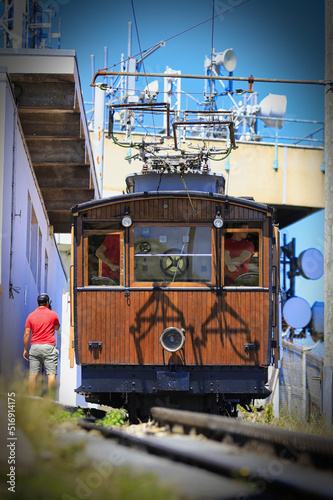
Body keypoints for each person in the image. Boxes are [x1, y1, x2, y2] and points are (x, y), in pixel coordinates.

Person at [23, 293, 60, 396]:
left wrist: (25, 349)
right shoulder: (53, 314)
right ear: (47, 303)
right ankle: (51, 399)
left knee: (32, 373)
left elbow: (27, 334)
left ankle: (31, 398)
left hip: (35, 347)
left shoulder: (31, 316)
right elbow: (57, 328)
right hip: (49, 347)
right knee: (51, 374)